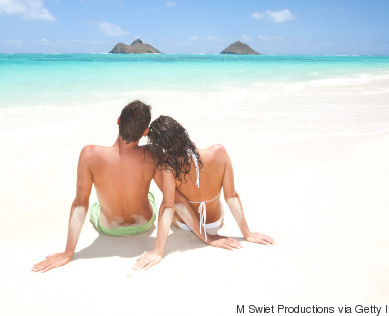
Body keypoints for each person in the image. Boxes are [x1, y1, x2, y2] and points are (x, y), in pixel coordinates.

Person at [32, 101, 237, 273]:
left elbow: (79, 206)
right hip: (144, 223)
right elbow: (174, 200)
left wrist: (68, 254)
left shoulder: (89, 154)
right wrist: (207, 237)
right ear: (146, 132)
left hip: (110, 228)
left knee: (94, 203)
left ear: (118, 121)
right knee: (152, 194)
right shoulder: (152, 154)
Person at [147, 115, 275, 247]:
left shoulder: (167, 166)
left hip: (185, 225)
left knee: (174, 198)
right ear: (181, 128)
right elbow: (231, 196)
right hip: (215, 221)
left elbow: (170, 206)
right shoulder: (219, 152)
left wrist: (157, 251)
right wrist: (248, 234)